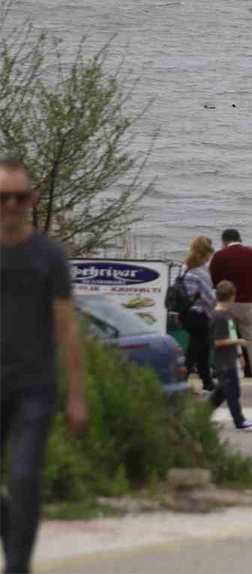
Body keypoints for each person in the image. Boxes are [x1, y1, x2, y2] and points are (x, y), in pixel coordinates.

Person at [0, 156, 88, 574]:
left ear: (33, 199)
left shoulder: (49, 257)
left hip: (35, 385)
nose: (12, 206)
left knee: (23, 475)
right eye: (4, 198)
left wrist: (76, 395)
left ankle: (17, 565)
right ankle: (12, 533)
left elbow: (67, 329)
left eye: (20, 197)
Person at [209, 228, 252, 378]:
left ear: (224, 241)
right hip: (247, 303)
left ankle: (229, 372)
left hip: (226, 304)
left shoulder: (219, 256)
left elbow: (213, 280)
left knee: (228, 338)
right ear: (240, 239)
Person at [208, 280, 252, 432]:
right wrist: (239, 341)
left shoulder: (226, 315)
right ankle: (239, 421)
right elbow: (218, 341)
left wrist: (239, 355)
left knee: (222, 392)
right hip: (223, 361)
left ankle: (202, 414)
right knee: (232, 391)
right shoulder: (219, 317)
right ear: (232, 297)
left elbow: (230, 335)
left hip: (230, 359)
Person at [181, 236, 217, 391]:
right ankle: (182, 380)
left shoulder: (185, 267)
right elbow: (209, 297)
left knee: (202, 347)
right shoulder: (201, 271)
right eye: (210, 253)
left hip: (185, 312)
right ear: (205, 253)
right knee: (196, 349)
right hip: (199, 314)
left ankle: (207, 381)